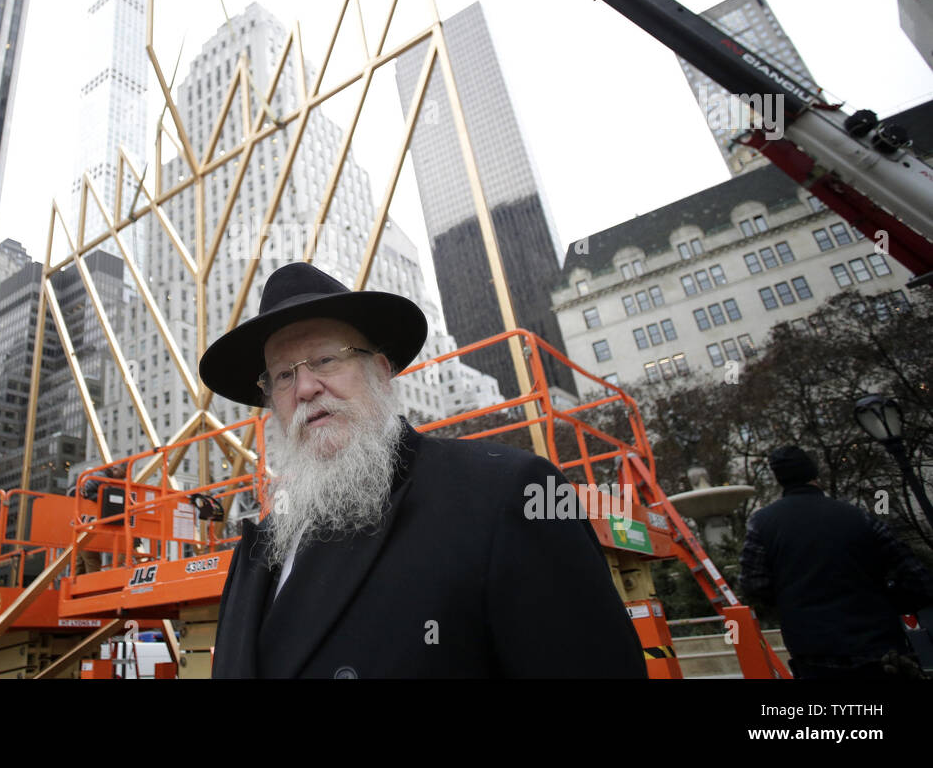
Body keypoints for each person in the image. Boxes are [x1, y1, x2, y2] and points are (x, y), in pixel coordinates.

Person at [198, 262, 646, 678]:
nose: (306, 388)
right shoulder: (256, 552)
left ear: (379, 369)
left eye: (325, 360)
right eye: (283, 376)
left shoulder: (508, 494)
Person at [739, 444, 933, 679]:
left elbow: (753, 585)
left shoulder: (762, 524)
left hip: (814, 654)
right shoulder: (858, 516)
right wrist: (887, 600)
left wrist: (793, 604)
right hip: (880, 650)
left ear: (780, 479)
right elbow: (917, 579)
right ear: (814, 473)